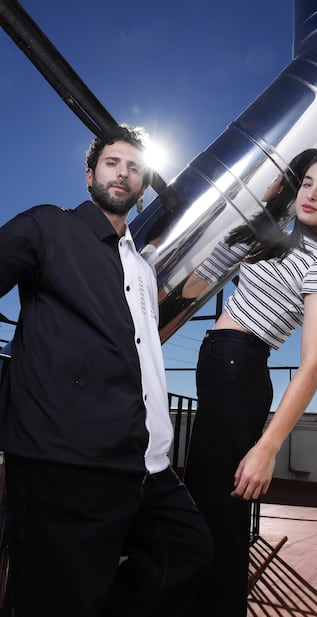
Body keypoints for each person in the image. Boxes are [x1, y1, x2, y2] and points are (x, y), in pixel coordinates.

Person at [0, 124, 213, 617]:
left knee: (187, 552)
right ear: (90, 174)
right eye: (113, 163)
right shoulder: (48, 226)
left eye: (135, 168)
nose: (123, 173)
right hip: (65, 462)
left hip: (144, 463)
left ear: (141, 187)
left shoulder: (139, 266)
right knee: (55, 600)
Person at [182, 148, 317, 617]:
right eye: (307, 183)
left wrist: (267, 447)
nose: (312, 193)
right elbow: (192, 288)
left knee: (218, 519)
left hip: (239, 373)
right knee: (206, 509)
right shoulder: (274, 241)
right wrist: (255, 215)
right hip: (221, 369)